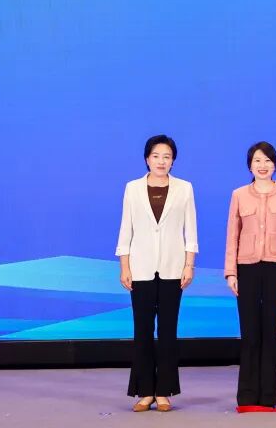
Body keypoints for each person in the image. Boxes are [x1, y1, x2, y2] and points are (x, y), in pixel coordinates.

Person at [115, 134, 198, 412]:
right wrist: (125, 266)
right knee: (142, 331)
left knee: (168, 331)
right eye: (156, 156)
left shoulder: (184, 188)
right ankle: (145, 391)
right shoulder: (133, 188)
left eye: (167, 157)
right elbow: (126, 230)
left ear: (173, 160)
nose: (161, 161)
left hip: (173, 268)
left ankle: (164, 391)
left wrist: (188, 264)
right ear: (147, 159)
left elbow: (190, 231)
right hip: (140, 268)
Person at [225, 141, 276, 408]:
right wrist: (230, 272)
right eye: (257, 160)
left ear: (275, 165)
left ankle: (268, 397)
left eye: (267, 160)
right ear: (250, 165)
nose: (262, 165)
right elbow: (232, 236)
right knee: (249, 334)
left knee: (270, 334)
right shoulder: (239, 195)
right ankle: (247, 395)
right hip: (246, 268)